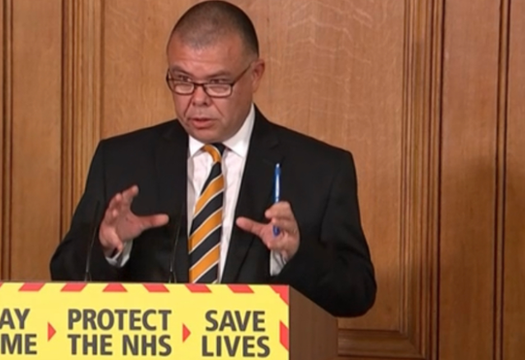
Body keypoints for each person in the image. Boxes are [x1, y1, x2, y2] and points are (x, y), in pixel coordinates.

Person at [50, 0, 376, 317]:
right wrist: (108, 246)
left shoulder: (320, 170)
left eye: (218, 83)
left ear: (255, 75)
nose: (198, 99)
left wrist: (295, 255)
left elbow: (357, 293)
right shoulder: (120, 160)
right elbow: (64, 274)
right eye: (182, 80)